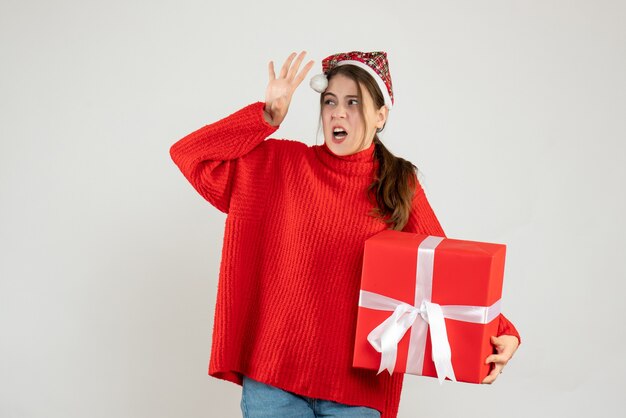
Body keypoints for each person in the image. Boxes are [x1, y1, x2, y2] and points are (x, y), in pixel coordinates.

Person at [169, 50, 521, 418]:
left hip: (358, 392)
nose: (338, 112)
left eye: (353, 102)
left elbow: (445, 272)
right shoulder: (278, 166)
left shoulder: (398, 184)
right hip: (274, 381)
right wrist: (266, 117)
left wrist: (504, 331)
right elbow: (190, 155)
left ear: (380, 115)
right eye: (330, 101)